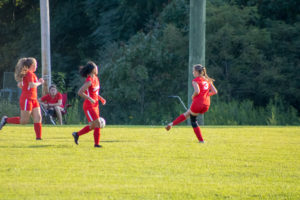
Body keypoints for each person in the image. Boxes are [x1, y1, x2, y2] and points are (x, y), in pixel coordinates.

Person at [165, 64, 218, 143]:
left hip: (198, 103)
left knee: (192, 120)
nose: (193, 72)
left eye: (193, 71)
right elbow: (214, 91)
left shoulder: (195, 80)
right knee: (188, 113)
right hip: (206, 104)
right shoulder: (207, 80)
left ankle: (201, 140)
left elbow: (197, 91)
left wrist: (193, 96)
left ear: (196, 72)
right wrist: (206, 95)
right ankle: (171, 124)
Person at [0, 57, 44, 140]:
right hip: (27, 99)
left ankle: (38, 138)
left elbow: (22, 85)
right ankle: (6, 120)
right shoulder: (29, 74)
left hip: (33, 99)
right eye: (36, 65)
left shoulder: (31, 74)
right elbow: (31, 85)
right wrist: (40, 82)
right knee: (24, 121)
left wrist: (35, 82)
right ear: (32, 65)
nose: (36, 66)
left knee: (38, 118)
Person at [72, 61, 106, 148]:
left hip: (95, 105)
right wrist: (90, 99)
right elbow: (80, 92)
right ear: (92, 70)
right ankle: (96, 144)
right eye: (96, 68)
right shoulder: (89, 81)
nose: (97, 69)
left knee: (92, 126)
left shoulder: (96, 78)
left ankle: (77, 134)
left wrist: (100, 98)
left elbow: (94, 93)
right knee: (97, 124)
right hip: (89, 106)